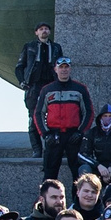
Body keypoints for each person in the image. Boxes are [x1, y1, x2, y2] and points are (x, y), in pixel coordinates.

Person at [15, 23, 67, 152]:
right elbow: (19, 67)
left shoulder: (56, 47)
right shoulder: (29, 46)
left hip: (51, 85)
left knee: (55, 116)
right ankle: (37, 149)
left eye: (46, 29)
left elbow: (61, 65)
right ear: (36, 32)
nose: (44, 31)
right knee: (33, 117)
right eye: (41, 29)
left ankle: (53, 147)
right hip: (34, 86)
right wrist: (22, 82)